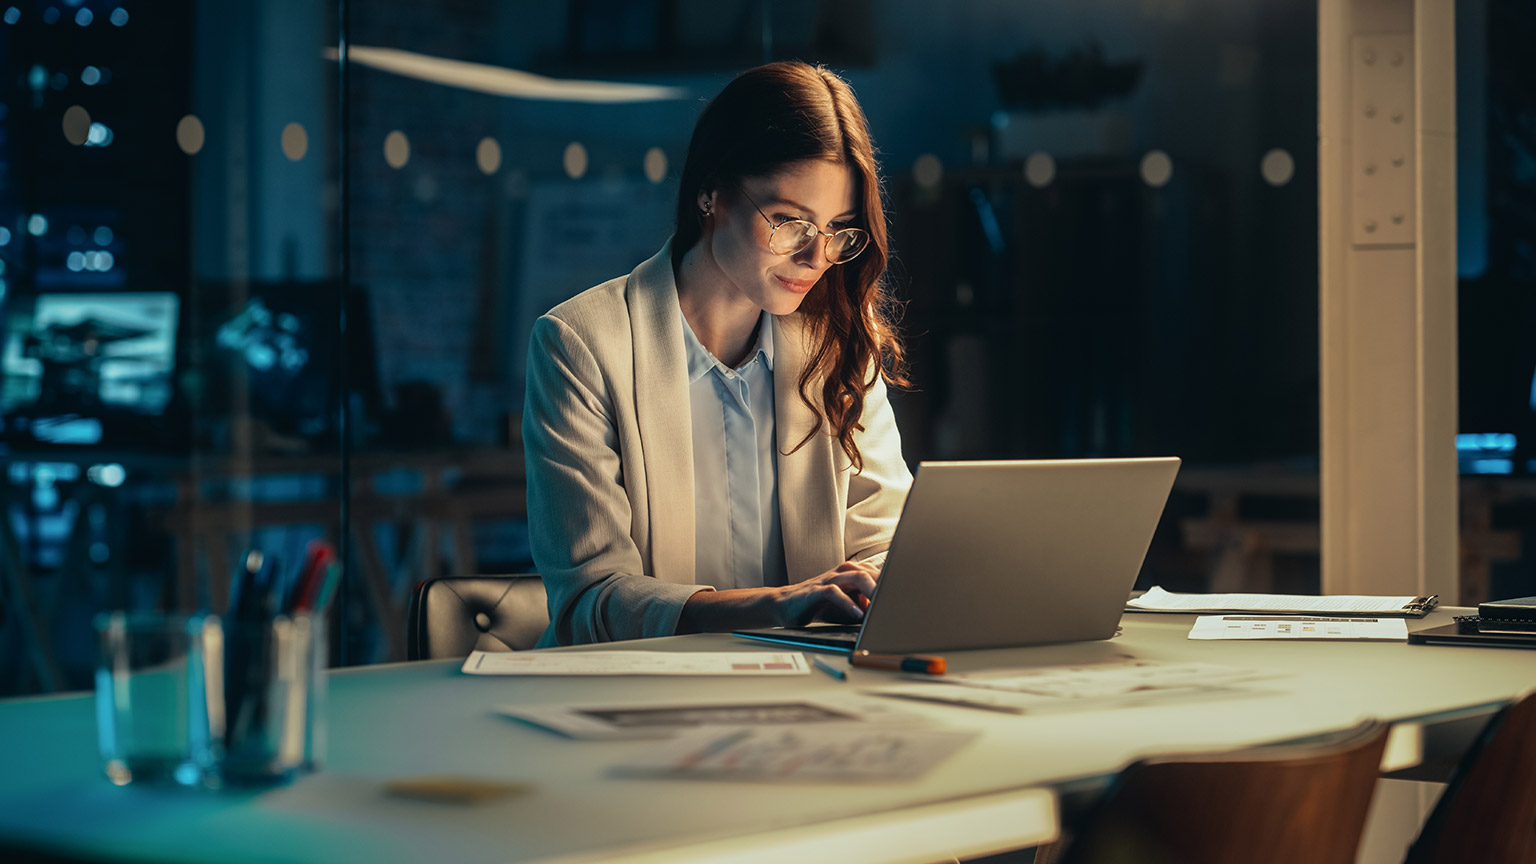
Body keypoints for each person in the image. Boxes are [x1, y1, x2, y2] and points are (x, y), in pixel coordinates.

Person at [524, 61, 912, 646]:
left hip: (808, 696)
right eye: (790, 222)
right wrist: (773, 606)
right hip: (635, 701)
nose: (817, 257)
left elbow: (891, 545)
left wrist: (886, 578)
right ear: (711, 192)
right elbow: (591, 601)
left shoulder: (840, 348)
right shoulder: (580, 346)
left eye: (837, 229)